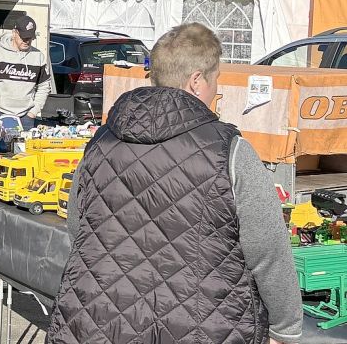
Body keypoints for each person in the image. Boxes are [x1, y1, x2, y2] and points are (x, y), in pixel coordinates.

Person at [48, 23, 303, 344]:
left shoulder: (100, 142)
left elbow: (77, 227)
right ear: (197, 81)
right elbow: (269, 254)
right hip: (205, 327)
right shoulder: (230, 151)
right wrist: (286, 329)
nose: (216, 92)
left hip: (99, 322)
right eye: (215, 81)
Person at [0, 14, 50, 130]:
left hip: (26, 116)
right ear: (14, 33)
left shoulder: (38, 57)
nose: (27, 41)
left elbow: (44, 86)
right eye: (23, 38)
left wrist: (33, 112)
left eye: (30, 38)